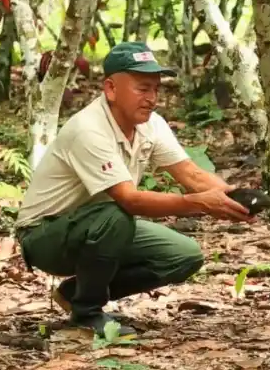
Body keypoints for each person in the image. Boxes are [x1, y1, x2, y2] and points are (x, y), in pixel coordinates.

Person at [14, 42, 253, 337]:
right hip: (44, 236)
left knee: (184, 255)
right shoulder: (89, 129)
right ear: (111, 89)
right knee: (117, 214)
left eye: (156, 89)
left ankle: (76, 293)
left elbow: (191, 174)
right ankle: (87, 313)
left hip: (100, 225)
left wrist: (236, 198)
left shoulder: (151, 125)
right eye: (142, 89)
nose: (152, 98)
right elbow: (130, 200)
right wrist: (200, 204)